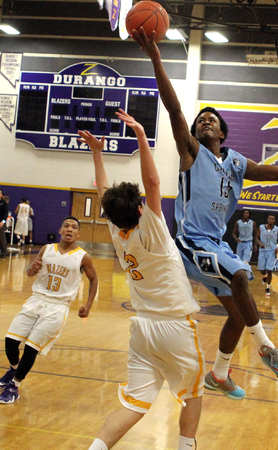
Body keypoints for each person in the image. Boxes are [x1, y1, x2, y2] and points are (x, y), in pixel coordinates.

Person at [131, 27, 278, 398]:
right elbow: (174, 107)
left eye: (211, 119)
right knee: (241, 275)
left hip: (216, 245)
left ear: (223, 132)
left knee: (239, 313)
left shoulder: (238, 163)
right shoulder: (192, 152)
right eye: (200, 119)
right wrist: (156, 59)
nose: (204, 121)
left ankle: (219, 375)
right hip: (190, 243)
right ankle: (267, 348)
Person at [79, 110, 203, 450]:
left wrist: (97, 154)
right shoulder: (152, 229)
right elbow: (153, 183)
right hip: (174, 326)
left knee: (134, 403)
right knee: (193, 393)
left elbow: (106, 191)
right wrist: (141, 137)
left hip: (143, 330)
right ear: (139, 211)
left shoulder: (117, 232)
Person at [0, 216, 98, 404]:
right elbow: (30, 272)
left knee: (30, 348)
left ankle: (14, 387)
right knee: (10, 341)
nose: (69, 229)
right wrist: (31, 268)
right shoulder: (46, 249)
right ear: (60, 230)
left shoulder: (83, 257)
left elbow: (94, 279)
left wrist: (88, 304)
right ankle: (13, 369)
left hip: (58, 306)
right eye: (66, 225)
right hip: (36, 300)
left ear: (78, 233)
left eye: (74, 227)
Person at [257, 214, 278, 297]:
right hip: (263, 250)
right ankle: (264, 276)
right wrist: (260, 244)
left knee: (269, 270)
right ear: (267, 220)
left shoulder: (277, 229)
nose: (271, 220)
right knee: (262, 270)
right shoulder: (261, 227)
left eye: (273, 219)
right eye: (270, 218)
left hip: (272, 251)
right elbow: (257, 238)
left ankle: (268, 288)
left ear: (274, 220)